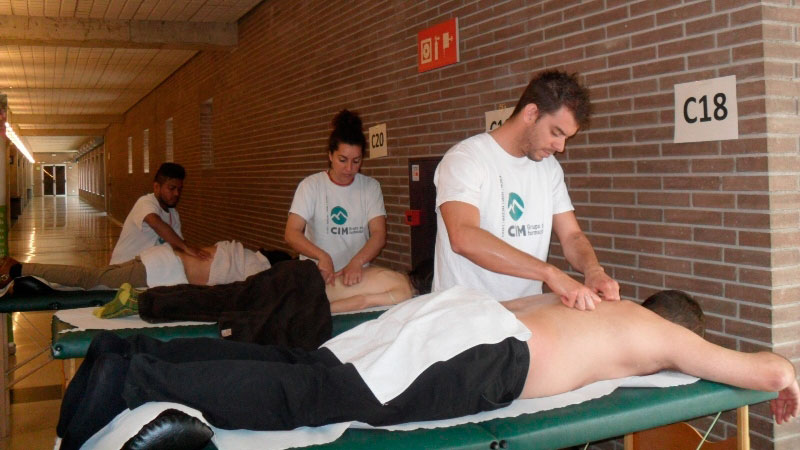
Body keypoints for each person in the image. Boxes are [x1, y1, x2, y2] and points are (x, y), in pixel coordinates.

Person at [56, 289, 798, 449]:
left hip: (457, 316)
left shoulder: (592, 302)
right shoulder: (650, 331)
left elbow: (523, 296)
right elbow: (750, 366)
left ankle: (135, 353)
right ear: (672, 325)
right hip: (485, 353)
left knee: (306, 363)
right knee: (313, 393)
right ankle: (134, 381)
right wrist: (787, 373)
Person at [434, 70, 619, 309]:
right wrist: (549, 273)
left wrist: (593, 270)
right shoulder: (466, 159)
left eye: (566, 138)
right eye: (556, 133)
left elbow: (572, 235)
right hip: (464, 313)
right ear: (531, 113)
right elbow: (463, 236)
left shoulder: (549, 168)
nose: (560, 147)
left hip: (525, 311)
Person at [285, 110, 386, 287]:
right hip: (318, 275)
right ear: (330, 155)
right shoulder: (311, 186)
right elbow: (292, 232)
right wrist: (322, 256)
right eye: (342, 160)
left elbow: (378, 234)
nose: (349, 168)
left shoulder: (370, 187)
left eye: (356, 161)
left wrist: (357, 262)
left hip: (356, 275)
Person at [0, 240, 271, 292]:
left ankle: (22, 271)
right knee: (89, 280)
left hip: (157, 259)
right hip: (158, 270)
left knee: (91, 278)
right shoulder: (255, 270)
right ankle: (19, 269)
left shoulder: (243, 252)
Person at [109, 162, 210, 265]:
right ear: (156, 186)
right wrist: (186, 247)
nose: (176, 194)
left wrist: (198, 254)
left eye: (179, 189)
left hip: (145, 269)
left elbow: (177, 246)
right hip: (123, 267)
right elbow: (155, 222)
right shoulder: (146, 202)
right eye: (171, 188)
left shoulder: (173, 215)